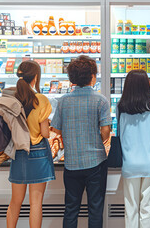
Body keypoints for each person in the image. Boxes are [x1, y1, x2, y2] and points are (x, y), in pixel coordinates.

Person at [51, 55, 112, 228]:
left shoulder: (62, 102)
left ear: (72, 78)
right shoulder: (101, 100)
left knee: (71, 209)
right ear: (93, 76)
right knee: (95, 209)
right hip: (96, 163)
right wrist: (98, 140)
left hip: (71, 163)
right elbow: (106, 131)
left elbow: (56, 130)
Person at [2, 61, 55, 228]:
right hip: (38, 153)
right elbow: (45, 133)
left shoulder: (11, 99)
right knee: (36, 203)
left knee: (15, 202)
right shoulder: (40, 100)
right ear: (36, 77)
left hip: (19, 151)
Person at [117, 70, 150, 228]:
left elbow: (120, 135)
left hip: (129, 165)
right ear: (146, 84)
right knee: (147, 209)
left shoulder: (121, 107)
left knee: (131, 209)